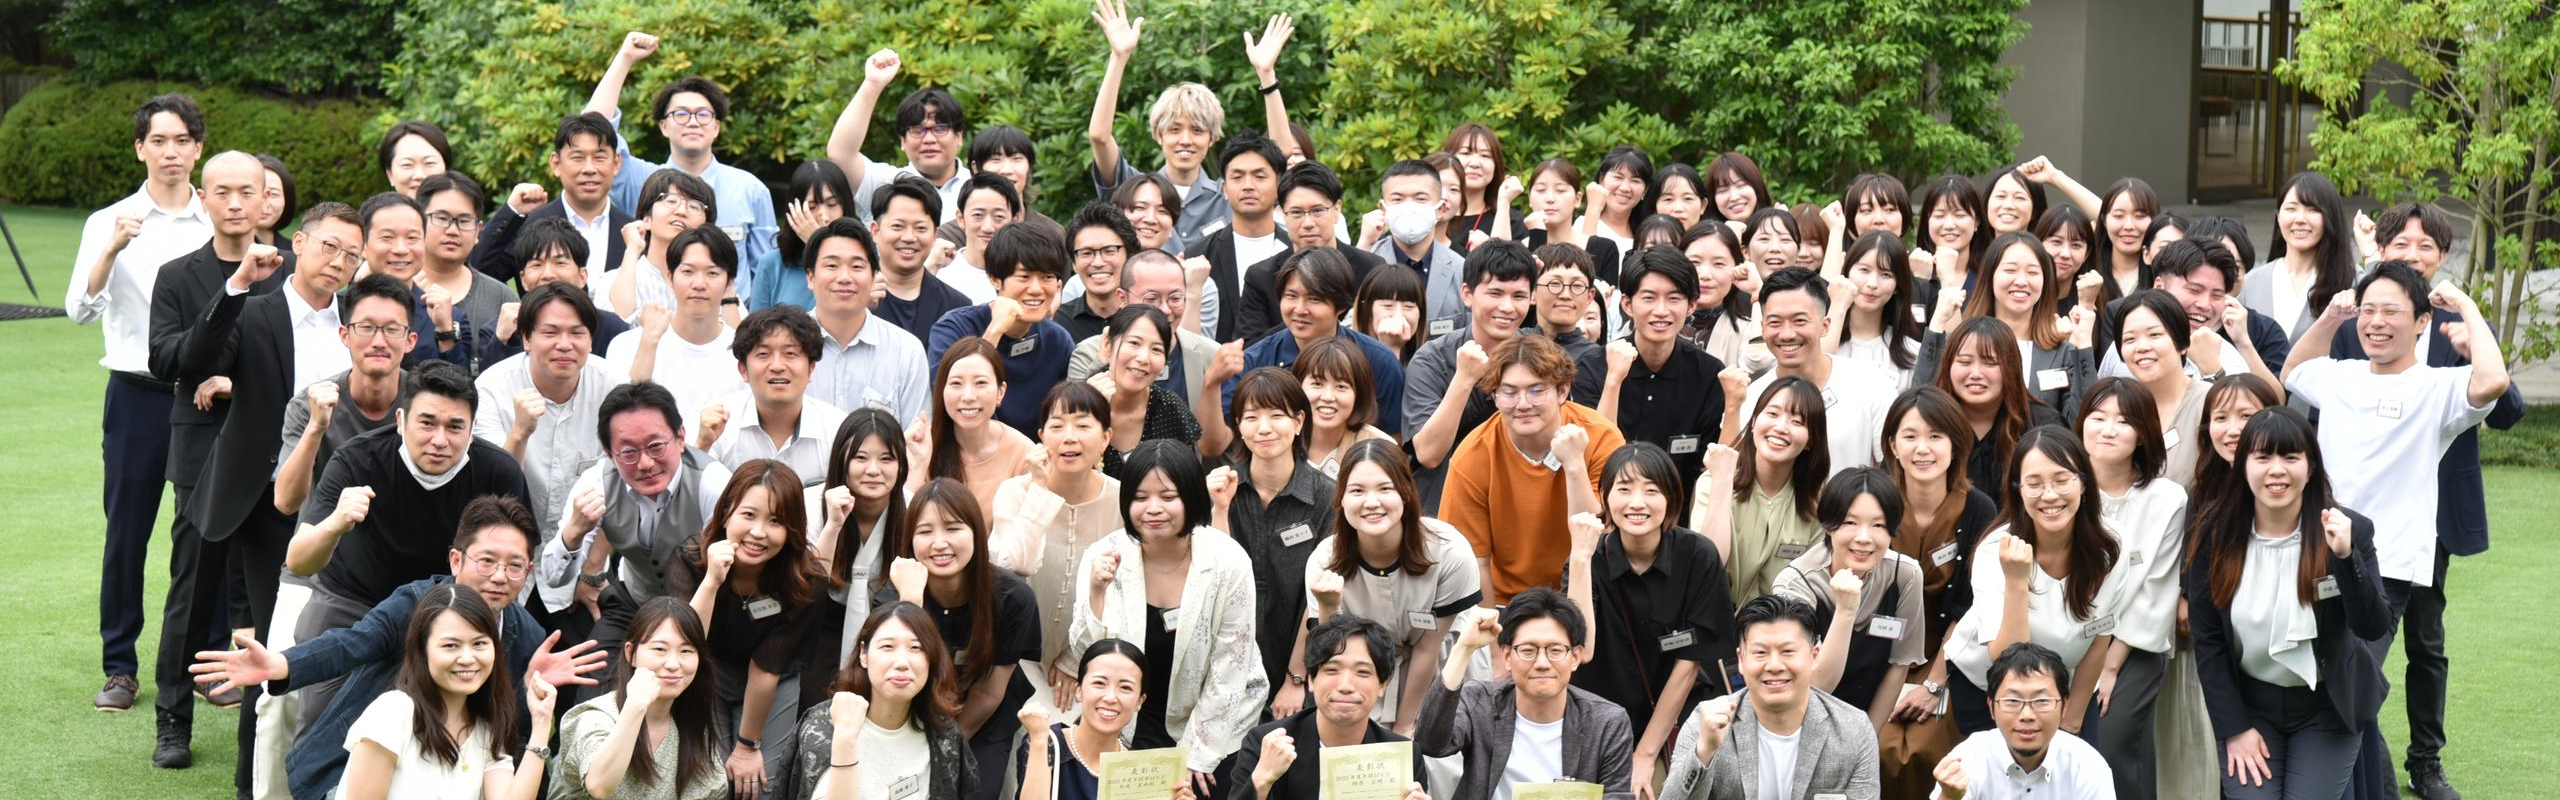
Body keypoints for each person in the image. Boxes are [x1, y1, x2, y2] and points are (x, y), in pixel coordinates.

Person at [189, 496, 606, 800]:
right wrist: (281, 664)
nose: (500, 576)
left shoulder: (528, 634)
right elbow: (353, 643)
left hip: (453, 775)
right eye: (487, 561)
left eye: (514, 566)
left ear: (528, 571)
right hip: (358, 766)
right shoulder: (416, 606)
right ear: (456, 561)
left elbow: (500, 734)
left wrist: (528, 691)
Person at [2281, 263, 2509, 799]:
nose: (2376, 322)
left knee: (2350, 688)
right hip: (2317, 553)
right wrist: (2331, 316)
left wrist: (2467, 307)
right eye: (2368, 310)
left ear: (2422, 321)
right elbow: (2294, 370)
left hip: (2387, 566)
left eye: (2391, 311)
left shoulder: (2437, 387)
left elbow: (2493, 381)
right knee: (2337, 690)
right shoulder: (2340, 375)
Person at [2322, 203, 2525, 800]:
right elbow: (2323, 402)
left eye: (2425, 246)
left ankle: (2426, 761)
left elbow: (2507, 410)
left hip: (2431, 516)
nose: (2413, 254)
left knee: (2426, 643)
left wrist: (2473, 342)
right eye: (2401, 244)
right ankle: (2364, 762)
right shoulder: (2361, 321)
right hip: (2360, 519)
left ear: (2442, 255)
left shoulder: (2457, 324)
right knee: (2355, 649)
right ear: (2380, 250)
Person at [166, 201, 361, 771]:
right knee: (190, 603)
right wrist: (235, 286)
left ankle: (258, 753)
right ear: (299, 243)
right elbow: (194, 359)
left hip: (308, 496)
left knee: (278, 626)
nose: (338, 261)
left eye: (352, 254)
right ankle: (172, 721)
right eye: (329, 246)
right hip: (237, 482)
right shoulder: (253, 307)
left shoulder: (355, 321)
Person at [146, 150, 296, 758]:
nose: (235, 204)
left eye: (247, 192)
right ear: (203, 199)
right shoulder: (177, 275)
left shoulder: (293, 271)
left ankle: (272, 726)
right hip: (204, 452)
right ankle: (172, 720)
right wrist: (234, 291)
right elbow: (169, 361)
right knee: (192, 589)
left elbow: (304, 359)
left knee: (275, 595)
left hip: (278, 456)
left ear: (266, 199)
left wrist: (235, 380)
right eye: (222, 192)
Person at [71, 93, 215, 717]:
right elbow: (79, 309)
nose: (171, 152)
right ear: (140, 148)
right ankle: (120, 667)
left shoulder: (217, 217)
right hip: (134, 395)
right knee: (127, 533)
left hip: (204, 397)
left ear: (198, 149)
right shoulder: (110, 219)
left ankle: (204, 663)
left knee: (204, 532)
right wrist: (111, 248)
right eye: (158, 140)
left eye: (182, 140)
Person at [285, 361, 530, 719]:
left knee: (452, 724)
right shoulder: (357, 458)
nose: (440, 440)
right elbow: (298, 561)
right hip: (352, 601)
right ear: (400, 421)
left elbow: (515, 560)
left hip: (451, 608)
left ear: (472, 429)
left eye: (455, 426)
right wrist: (335, 524)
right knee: (324, 723)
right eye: (427, 423)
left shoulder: (498, 471)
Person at [2185, 408, 2390, 800]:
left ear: (2310, 468)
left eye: (2290, 457)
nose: (2276, 470)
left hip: (2328, 706)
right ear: (2243, 466)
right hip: (2249, 705)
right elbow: (2208, 639)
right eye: (2263, 457)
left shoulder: (2346, 529)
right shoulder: (2214, 533)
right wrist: (2234, 728)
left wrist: (2346, 557)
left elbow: (2372, 625)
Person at [1068, 440, 1268, 792]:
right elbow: (1087, 656)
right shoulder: (1104, 555)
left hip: (1216, 720)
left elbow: (1229, 666)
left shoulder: (1229, 562)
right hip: (1130, 716)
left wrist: (1198, 755)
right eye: (1140, 497)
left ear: (1191, 497)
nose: (1153, 509)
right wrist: (1097, 592)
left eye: (1168, 496)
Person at [1563, 444, 1738, 794]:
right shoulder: (1588, 558)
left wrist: (1645, 753)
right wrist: (1580, 560)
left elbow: (1689, 664)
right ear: (1605, 497)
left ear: (1671, 498)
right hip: (1601, 713)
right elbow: (1581, 649)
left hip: (1676, 712)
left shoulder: (1698, 556)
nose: (1637, 503)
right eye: (1624, 489)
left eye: (1651, 490)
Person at [1940, 428, 2133, 736]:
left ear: (2084, 483)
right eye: (2034, 483)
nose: (2050, 495)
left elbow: (2099, 637)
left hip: (2066, 685)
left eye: (2062, 480)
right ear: (2018, 490)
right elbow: (2008, 659)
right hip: (1993, 688)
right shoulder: (1995, 551)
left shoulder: (2112, 546)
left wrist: (2072, 721)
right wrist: (2017, 582)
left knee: (2077, 761)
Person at [539, 382, 734, 680]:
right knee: (594, 679)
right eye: (628, 452)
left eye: (656, 446)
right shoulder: (597, 483)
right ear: (609, 453)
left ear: (681, 438)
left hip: (707, 611)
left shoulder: (712, 482)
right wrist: (574, 533)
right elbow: (554, 578)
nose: (645, 463)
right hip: (634, 602)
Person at [669, 460, 831, 800]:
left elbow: (767, 667)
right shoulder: (690, 560)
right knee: (710, 784)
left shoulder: (807, 580)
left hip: (773, 675)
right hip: (706, 672)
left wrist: (747, 745)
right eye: (748, 515)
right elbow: (683, 644)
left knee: (760, 786)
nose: (758, 532)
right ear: (726, 513)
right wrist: (711, 582)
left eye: (776, 521)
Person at [1299, 440, 1481, 731]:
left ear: (1406, 492)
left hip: (1444, 668)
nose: (1372, 502)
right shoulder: (1324, 560)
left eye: (1385, 489)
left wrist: (1404, 728)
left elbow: (1428, 648)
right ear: (1341, 498)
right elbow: (1333, 651)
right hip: (1364, 672)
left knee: (1435, 748)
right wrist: (1328, 608)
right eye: (1357, 491)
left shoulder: (1449, 551)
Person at [879, 480, 1044, 800]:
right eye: (925, 531)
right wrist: (911, 602)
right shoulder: (894, 594)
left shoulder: (1012, 598)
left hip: (983, 720)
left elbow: (989, 692)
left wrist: (945, 750)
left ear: (976, 532)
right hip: (910, 715)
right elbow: (894, 679)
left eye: (953, 528)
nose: (939, 543)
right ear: (910, 539)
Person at [1874, 387, 2002, 797]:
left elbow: (1971, 607)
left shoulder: (1979, 509)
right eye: (1910, 436)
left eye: (1935, 436)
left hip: (1950, 655)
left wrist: (1933, 684)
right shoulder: (1873, 502)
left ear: (1955, 444)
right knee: (1877, 745)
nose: (1922, 448)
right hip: (1877, 654)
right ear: (1892, 445)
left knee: (1929, 749)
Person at [584, 31, 778, 294]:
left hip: (731, 316)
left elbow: (767, 274)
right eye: (681, 114)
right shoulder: (640, 179)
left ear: (717, 127)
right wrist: (625, 58)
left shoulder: (750, 189)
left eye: (703, 114)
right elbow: (594, 131)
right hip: (651, 311)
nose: (693, 122)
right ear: (663, 126)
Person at [2069, 379, 2189, 799]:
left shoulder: (2167, 499)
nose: (2108, 429)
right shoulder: (2065, 487)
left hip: (2130, 645)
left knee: (2114, 743)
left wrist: (2108, 664)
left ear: (2143, 433)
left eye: (2123, 421)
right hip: (2062, 637)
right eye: (2098, 417)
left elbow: (2156, 589)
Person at [1441, 334, 1623, 604]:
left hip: (1590, 591)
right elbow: (1473, 563)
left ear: (1562, 391)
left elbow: (1599, 539)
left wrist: (1574, 465)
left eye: (1537, 390)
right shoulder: (1473, 456)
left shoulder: (1601, 437)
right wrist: (1490, 628)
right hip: (1509, 602)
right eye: (1509, 392)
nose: (1523, 403)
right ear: (1494, 396)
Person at [472, 283, 618, 612]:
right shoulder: (492, 389)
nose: (564, 344)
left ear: (590, 339)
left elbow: (625, 484)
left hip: (585, 563)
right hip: (505, 562)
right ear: (526, 338)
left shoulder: (613, 386)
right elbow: (493, 491)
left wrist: (593, 570)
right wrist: (520, 433)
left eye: (576, 333)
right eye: (550, 333)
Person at [333, 586, 556, 800]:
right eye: (451, 645)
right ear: (422, 650)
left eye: (479, 643)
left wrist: (541, 722)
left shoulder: (486, 728)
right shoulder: (394, 712)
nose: (467, 658)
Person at [1659, 594, 1884, 800]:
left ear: (1814, 656)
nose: (1774, 665)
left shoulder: (1853, 729)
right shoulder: (1707, 722)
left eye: (1788, 651)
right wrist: (1704, 752)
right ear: (1741, 660)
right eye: (1760, 653)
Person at [1418, 590, 1636, 800]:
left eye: (1555, 650)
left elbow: (1616, 795)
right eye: (1528, 650)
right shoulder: (1480, 701)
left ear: (1575, 657)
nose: (1542, 663)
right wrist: (1463, 649)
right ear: (1507, 656)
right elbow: (1430, 742)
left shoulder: (1606, 723)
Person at [987, 383, 1125, 699]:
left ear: (1106, 438)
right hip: (1014, 658)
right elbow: (1014, 567)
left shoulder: (1122, 500)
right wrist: (1038, 490)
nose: (1069, 437)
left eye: (1082, 425)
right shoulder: (1015, 492)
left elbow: (1122, 594)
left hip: (1094, 663)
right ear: (1041, 436)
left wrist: (1077, 657)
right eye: (1057, 426)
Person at [1212, 369, 1334, 711]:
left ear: (1299, 422)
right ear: (1238, 425)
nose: (1263, 428)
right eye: (1251, 417)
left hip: (1298, 663)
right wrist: (1219, 509)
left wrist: (1296, 678)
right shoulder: (1222, 488)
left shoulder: (1326, 497)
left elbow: (1319, 597)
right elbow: (1216, 578)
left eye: (1277, 415)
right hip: (1225, 666)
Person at [1769, 467, 1928, 730]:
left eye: (1878, 525)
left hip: (1864, 720)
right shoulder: (1795, 583)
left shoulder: (1905, 575)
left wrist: (1867, 737)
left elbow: (1898, 665)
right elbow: (1817, 684)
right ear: (1828, 525)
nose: (1863, 538)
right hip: (1797, 720)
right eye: (1850, 523)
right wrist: (1845, 610)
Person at [1227, 614, 1433, 800]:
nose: (1345, 686)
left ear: (1382, 685)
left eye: (1362, 672)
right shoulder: (1268, 744)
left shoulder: (1403, 757)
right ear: (1311, 680)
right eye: (1332, 670)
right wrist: (1262, 780)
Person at [1576, 247, 1733, 489]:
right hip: (1606, 502)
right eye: (1649, 298)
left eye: (1674, 298)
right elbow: (1594, 455)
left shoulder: (1708, 374)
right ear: (1627, 304)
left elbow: (1708, 469)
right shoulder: (1593, 366)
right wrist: (1613, 380)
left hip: (1680, 507)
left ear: (1691, 305)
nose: (1661, 311)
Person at [550, 597, 730, 800]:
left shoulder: (692, 728)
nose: (673, 664)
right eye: (660, 649)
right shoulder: (595, 716)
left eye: (686, 651)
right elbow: (599, 786)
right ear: (631, 653)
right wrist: (635, 706)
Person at [1406, 239, 1541, 508]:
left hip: (1523, 496)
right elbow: (1428, 454)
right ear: (1467, 294)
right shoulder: (1431, 359)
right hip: (1446, 500)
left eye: (1518, 296)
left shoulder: (1541, 356)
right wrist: (1464, 378)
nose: (1507, 307)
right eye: (1495, 293)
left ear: (1532, 298)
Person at [796, 602, 980, 800]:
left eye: (915, 647)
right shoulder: (824, 727)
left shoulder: (944, 735)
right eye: (887, 646)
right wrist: (845, 741)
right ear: (864, 654)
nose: (902, 663)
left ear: (931, 658)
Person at [1234, 246, 1407, 435]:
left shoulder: (1379, 361)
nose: (1300, 309)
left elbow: (1394, 438)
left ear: (1341, 305)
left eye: (1314, 299)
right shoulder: (1253, 361)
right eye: (1291, 296)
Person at [1919, 233, 2091, 421]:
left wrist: (2084, 345)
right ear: (1990, 275)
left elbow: (2079, 422)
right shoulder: (1961, 343)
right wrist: (1937, 323)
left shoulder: (2062, 353)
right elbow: (1922, 405)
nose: (2021, 281)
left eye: (2033, 272)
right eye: (2010, 270)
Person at [928, 221, 1078, 437]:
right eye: (1024, 277)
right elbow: (954, 401)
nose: (1036, 289)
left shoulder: (1058, 340)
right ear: (995, 280)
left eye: (1047, 277)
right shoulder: (953, 328)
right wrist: (995, 330)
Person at [1739, 268, 1896, 472]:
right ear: (1763, 327)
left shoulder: (1871, 385)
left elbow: (1892, 469)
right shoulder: (1750, 398)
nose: (1787, 334)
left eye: (1799, 321)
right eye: (1775, 322)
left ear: (1825, 326)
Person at [1928, 643, 2115, 800]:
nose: (2027, 715)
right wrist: (1948, 797)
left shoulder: (2087, 766)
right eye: (2013, 701)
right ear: (1992, 707)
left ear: (2064, 707)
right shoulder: (1969, 758)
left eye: (2041, 701)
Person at [605, 224, 747, 432]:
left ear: (729, 283)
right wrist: (649, 342)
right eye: (688, 271)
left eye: (712, 273)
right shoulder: (627, 345)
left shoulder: (744, 353)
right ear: (670, 278)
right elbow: (619, 420)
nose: (699, 284)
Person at [2097, 237, 2286, 387]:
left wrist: (2214, 372)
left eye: (2217, 295)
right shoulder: (2124, 349)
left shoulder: (2229, 360)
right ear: (2160, 287)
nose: (2204, 305)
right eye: (2194, 290)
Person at [796, 217, 932, 424]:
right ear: (810, 277)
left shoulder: (906, 351)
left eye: (857, 266)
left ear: (874, 276)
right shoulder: (784, 347)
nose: (844, 277)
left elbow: (916, 435)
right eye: (832, 265)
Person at [470, 112, 633, 285]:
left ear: (616, 163)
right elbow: (476, 272)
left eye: (599, 158)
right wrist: (511, 211)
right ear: (556, 163)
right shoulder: (529, 227)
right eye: (577, 158)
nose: (589, 169)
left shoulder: (636, 234)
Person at [1235, 161, 1390, 342]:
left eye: (1317, 211)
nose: (1308, 223)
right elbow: (1250, 347)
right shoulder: (1261, 276)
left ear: (1337, 209)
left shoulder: (1371, 268)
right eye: (1296, 212)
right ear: (1283, 215)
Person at [809, 407, 913, 666]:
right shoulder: (810, 504)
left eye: (887, 459)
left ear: (901, 465)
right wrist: (833, 526)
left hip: (893, 622)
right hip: (818, 622)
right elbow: (807, 587)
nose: (873, 470)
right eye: (860, 458)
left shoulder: (915, 509)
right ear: (841, 461)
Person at [1714, 376, 1831, 606]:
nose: (1781, 427)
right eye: (1773, 414)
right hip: (1716, 618)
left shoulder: (1817, 498)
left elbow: (1811, 585)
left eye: (1797, 421)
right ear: (1754, 421)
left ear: (1811, 440)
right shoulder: (1717, 479)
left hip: (1783, 622)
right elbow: (1709, 562)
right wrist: (1721, 482)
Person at [1926, 317, 2063, 508]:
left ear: (2011, 366)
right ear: (1948, 365)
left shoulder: (2042, 423)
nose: (1975, 373)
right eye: (1965, 362)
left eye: (1990, 363)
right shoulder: (1927, 418)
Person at [1067, 247, 1226, 409]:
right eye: (1151, 299)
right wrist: (1102, 364)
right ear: (1122, 298)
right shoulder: (1088, 354)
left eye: (1175, 298)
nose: (1165, 309)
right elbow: (1075, 415)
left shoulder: (1211, 354)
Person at [702, 306, 848, 482]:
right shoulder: (716, 426)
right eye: (763, 354)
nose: (777, 366)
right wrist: (702, 445)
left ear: (811, 369)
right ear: (743, 370)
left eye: (790, 354)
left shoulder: (838, 429)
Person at [830, 48, 971, 223]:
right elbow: (840, 154)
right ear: (903, 140)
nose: (929, 139)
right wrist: (872, 84)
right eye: (917, 130)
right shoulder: (885, 184)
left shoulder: (979, 189)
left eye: (940, 129)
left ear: (959, 136)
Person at [480, 218, 635, 362]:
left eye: (560, 263)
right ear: (523, 279)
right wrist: (501, 341)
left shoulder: (613, 329)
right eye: (536, 265)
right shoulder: (498, 330)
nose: (548, 274)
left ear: (582, 277)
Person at [2105, 290, 2217, 485]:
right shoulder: (2114, 407)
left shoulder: (2210, 403)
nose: (2142, 347)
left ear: (2182, 342)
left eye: (2154, 335)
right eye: (2130, 339)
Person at [1013, 639, 1149, 800]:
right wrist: (1039, 740)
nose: (1110, 697)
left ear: (1140, 701)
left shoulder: (1136, 770)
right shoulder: (1047, 743)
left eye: (1125, 687)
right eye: (1099, 683)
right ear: (1079, 690)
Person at [413, 171, 521, 371]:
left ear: (478, 230)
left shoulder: (501, 298)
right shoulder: (398, 289)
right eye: (441, 218)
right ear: (418, 222)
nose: (453, 230)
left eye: (464, 221)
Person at [919, 338, 1039, 512]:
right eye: (956, 383)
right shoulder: (924, 447)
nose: (968, 396)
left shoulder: (1022, 453)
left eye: (980, 383)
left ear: (1000, 392)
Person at [2242, 173, 2358, 343]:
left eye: (2312, 210)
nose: (2300, 219)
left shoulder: (2353, 281)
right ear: (2278, 216)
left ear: (2330, 217)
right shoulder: (2251, 283)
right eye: (2291, 209)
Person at [1093, 305, 1211, 470]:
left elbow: (1186, 479)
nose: (1143, 358)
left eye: (1156, 349)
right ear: (1108, 345)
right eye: (1134, 343)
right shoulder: (1075, 403)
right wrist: (1091, 411)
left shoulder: (1170, 408)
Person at [596, 168, 717, 320]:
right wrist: (632, 250)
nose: (681, 211)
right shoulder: (611, 281)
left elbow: (738, 332)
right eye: (671, 201)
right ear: (647, 219)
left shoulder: (716, 282)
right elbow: (617, 321)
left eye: (694, 206)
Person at [1370, 159, 1472, 339]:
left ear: (1440, 209)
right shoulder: (1366, 263)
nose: (1409, 207)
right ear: (1383, 209)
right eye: (1398, 199)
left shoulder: (1461, 270)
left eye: (1421, 199)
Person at [871, 175, 979, 342]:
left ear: (935, 235)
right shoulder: (852, 294)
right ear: (875, 231)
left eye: (920, 228)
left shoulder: (957, 306)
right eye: (897, 226)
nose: (909, 237)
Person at [746, 159, 855, 312]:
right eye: (812, 206)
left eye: (832, 204)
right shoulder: (771, 264)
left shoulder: (864, 260)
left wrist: (816, 244)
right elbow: (756, 324)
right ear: (794, 211)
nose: (824, 216)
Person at [1823, 231, 1924, 390]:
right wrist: (1837, 307)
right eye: (1864, 270)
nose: (1872, 283)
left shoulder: (1913, 353)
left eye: (1886, 274)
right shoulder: (1818, 339)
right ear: (1847, 271)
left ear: (1898, 285)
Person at [1293, 337, 1398, 479]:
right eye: (1317, 384)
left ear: (1359, 393)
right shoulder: (1279, 438)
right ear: (1297, 386)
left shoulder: (1381, 447)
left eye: (1341, 386)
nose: (1328, 397)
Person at [1680, 228, 1770, 379]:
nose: (1705, 275)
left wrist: (1757, 293)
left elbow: (1760, 362)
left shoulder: (1745, 329)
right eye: (1695, 262)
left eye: (1718, 264)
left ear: (1737, 267)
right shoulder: (1658, 318)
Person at [1518, 158, 1623, 286]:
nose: (1550, 198)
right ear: (1530, 198)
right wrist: (1537, 236)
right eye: (1541, 190)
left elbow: (1601, 297)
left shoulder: (1604, 249)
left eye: (1560, 190)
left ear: (1577, 199)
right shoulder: (1516, 252)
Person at [1057, 202, 1144, 342]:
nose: (1098, 263)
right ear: (1074, 263)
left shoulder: (1147, 318)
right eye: (1086, 253)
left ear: (1129, 256)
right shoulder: (1058, 322)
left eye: (1109, 251)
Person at [940, 173, 1024, 304]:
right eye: (978, 215)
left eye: (999, 217)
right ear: (960, 218)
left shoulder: (1030, 277)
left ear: (1015, 220)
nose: (988, 227)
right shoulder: (941, 276)